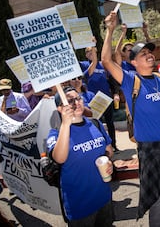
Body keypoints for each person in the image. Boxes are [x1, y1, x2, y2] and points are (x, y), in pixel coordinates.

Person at [101, 11, 160, 226]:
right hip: (150, 150)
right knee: (157, 199)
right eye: (143, 54)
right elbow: (106, 60)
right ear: (133, 62)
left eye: (150, 53)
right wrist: (110, 30)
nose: (149, 55)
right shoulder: (131, 81)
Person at [46, 86, 114, 226]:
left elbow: (109, 150)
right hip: (80, 206)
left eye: (78, 98)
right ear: (60, 108)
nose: (77, 103)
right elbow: (59, 158)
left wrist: (108, 161)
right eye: (70, 101)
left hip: (104, 198)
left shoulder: (95, 124)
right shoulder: (56, 134)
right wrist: (65, 124)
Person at [84, 46, 119, 151]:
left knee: (110, 123)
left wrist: (115, 93)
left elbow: (111, 81)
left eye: (93, 52)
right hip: (93, 99)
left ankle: (113, 145)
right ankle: (100, 147)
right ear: (86, 55)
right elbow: (86, 74)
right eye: (89, 53)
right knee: (95, 123)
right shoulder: (85, 65)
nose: (91, 54)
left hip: (105, 98)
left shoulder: (103, 65)